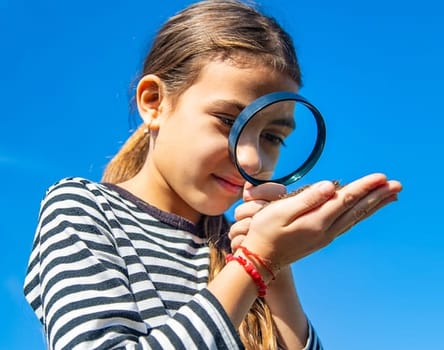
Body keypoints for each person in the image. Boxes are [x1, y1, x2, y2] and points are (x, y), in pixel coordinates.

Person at [22, 1, 403, 349]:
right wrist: (255, 265)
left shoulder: (238, 243)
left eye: (272, 137)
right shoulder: (83, 208)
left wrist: (278, 273)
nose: (252, 160)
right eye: (227, 121)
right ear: (154, 102)